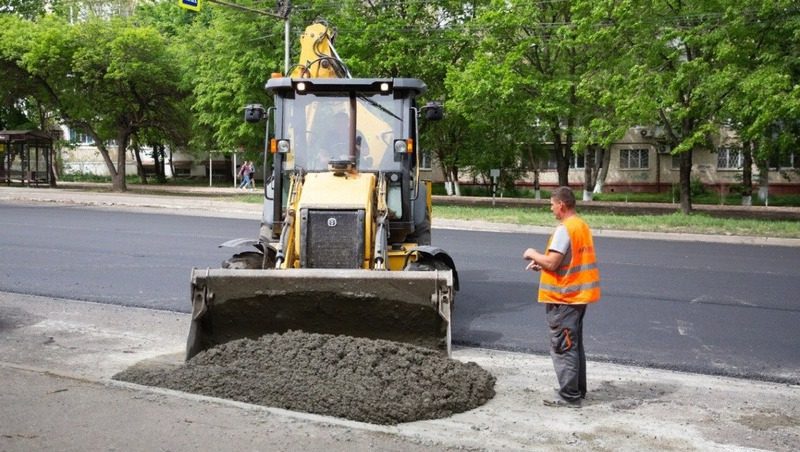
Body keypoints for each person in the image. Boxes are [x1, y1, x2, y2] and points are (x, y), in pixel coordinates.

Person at [523, 186, 601, 408]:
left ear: (562, 205)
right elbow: (567, 261)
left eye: (552, 204)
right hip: (577, 296)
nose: (551, 208)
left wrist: (532, 253)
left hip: (563, 298)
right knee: (574, 345)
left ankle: (569, 396)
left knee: (563, 345)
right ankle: (578, 390)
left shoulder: (565, 229)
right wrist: (543, 265)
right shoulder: (581, 226)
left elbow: (553, 262)